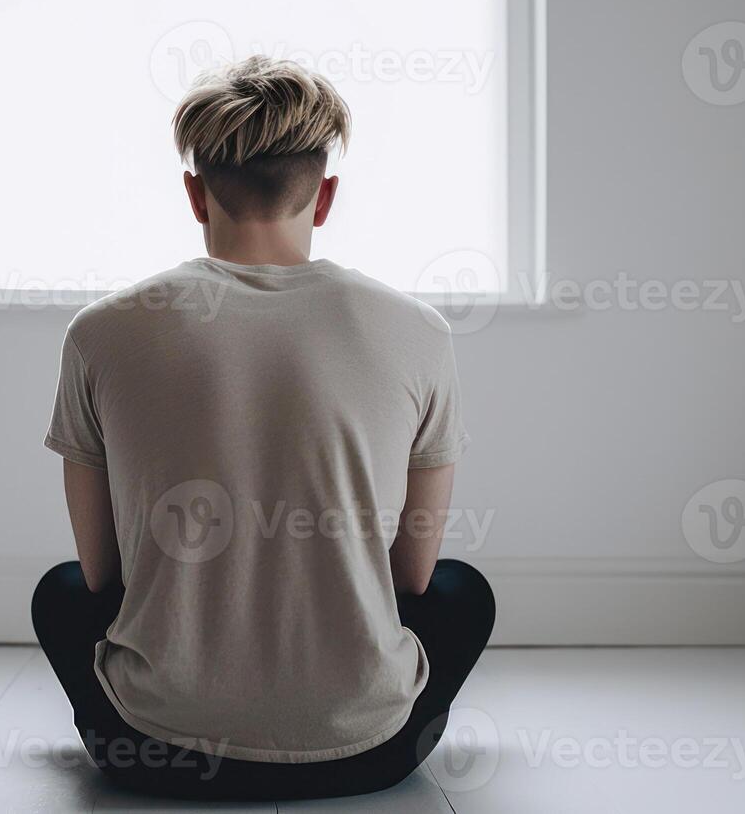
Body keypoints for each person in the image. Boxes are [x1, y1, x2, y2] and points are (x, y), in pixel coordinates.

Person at [31, 55, 495, 801]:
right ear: (326, 197)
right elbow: (410, 577)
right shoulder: (419, 332)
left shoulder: (102, 332)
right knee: (459, 589)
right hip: (366, 757)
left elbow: (100, 578)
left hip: (148, 749)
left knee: (57, 592)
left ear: (194, 192)